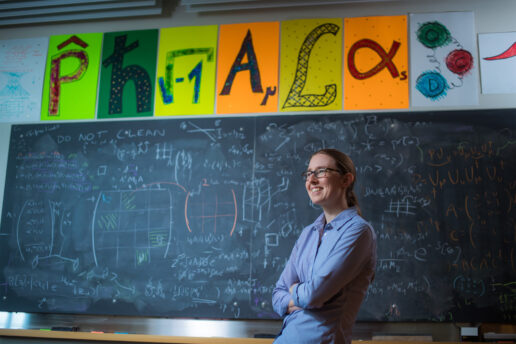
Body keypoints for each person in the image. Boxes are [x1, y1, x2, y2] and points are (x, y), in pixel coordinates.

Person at [272, 148, 377, 344]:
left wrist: (294, 290)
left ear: (346, 180)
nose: (311, 180)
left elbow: (314, 295)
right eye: (308, 173)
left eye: (321, 172)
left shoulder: (359, 232)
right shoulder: (308, 234)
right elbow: (277, 296)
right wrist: (303, 295)